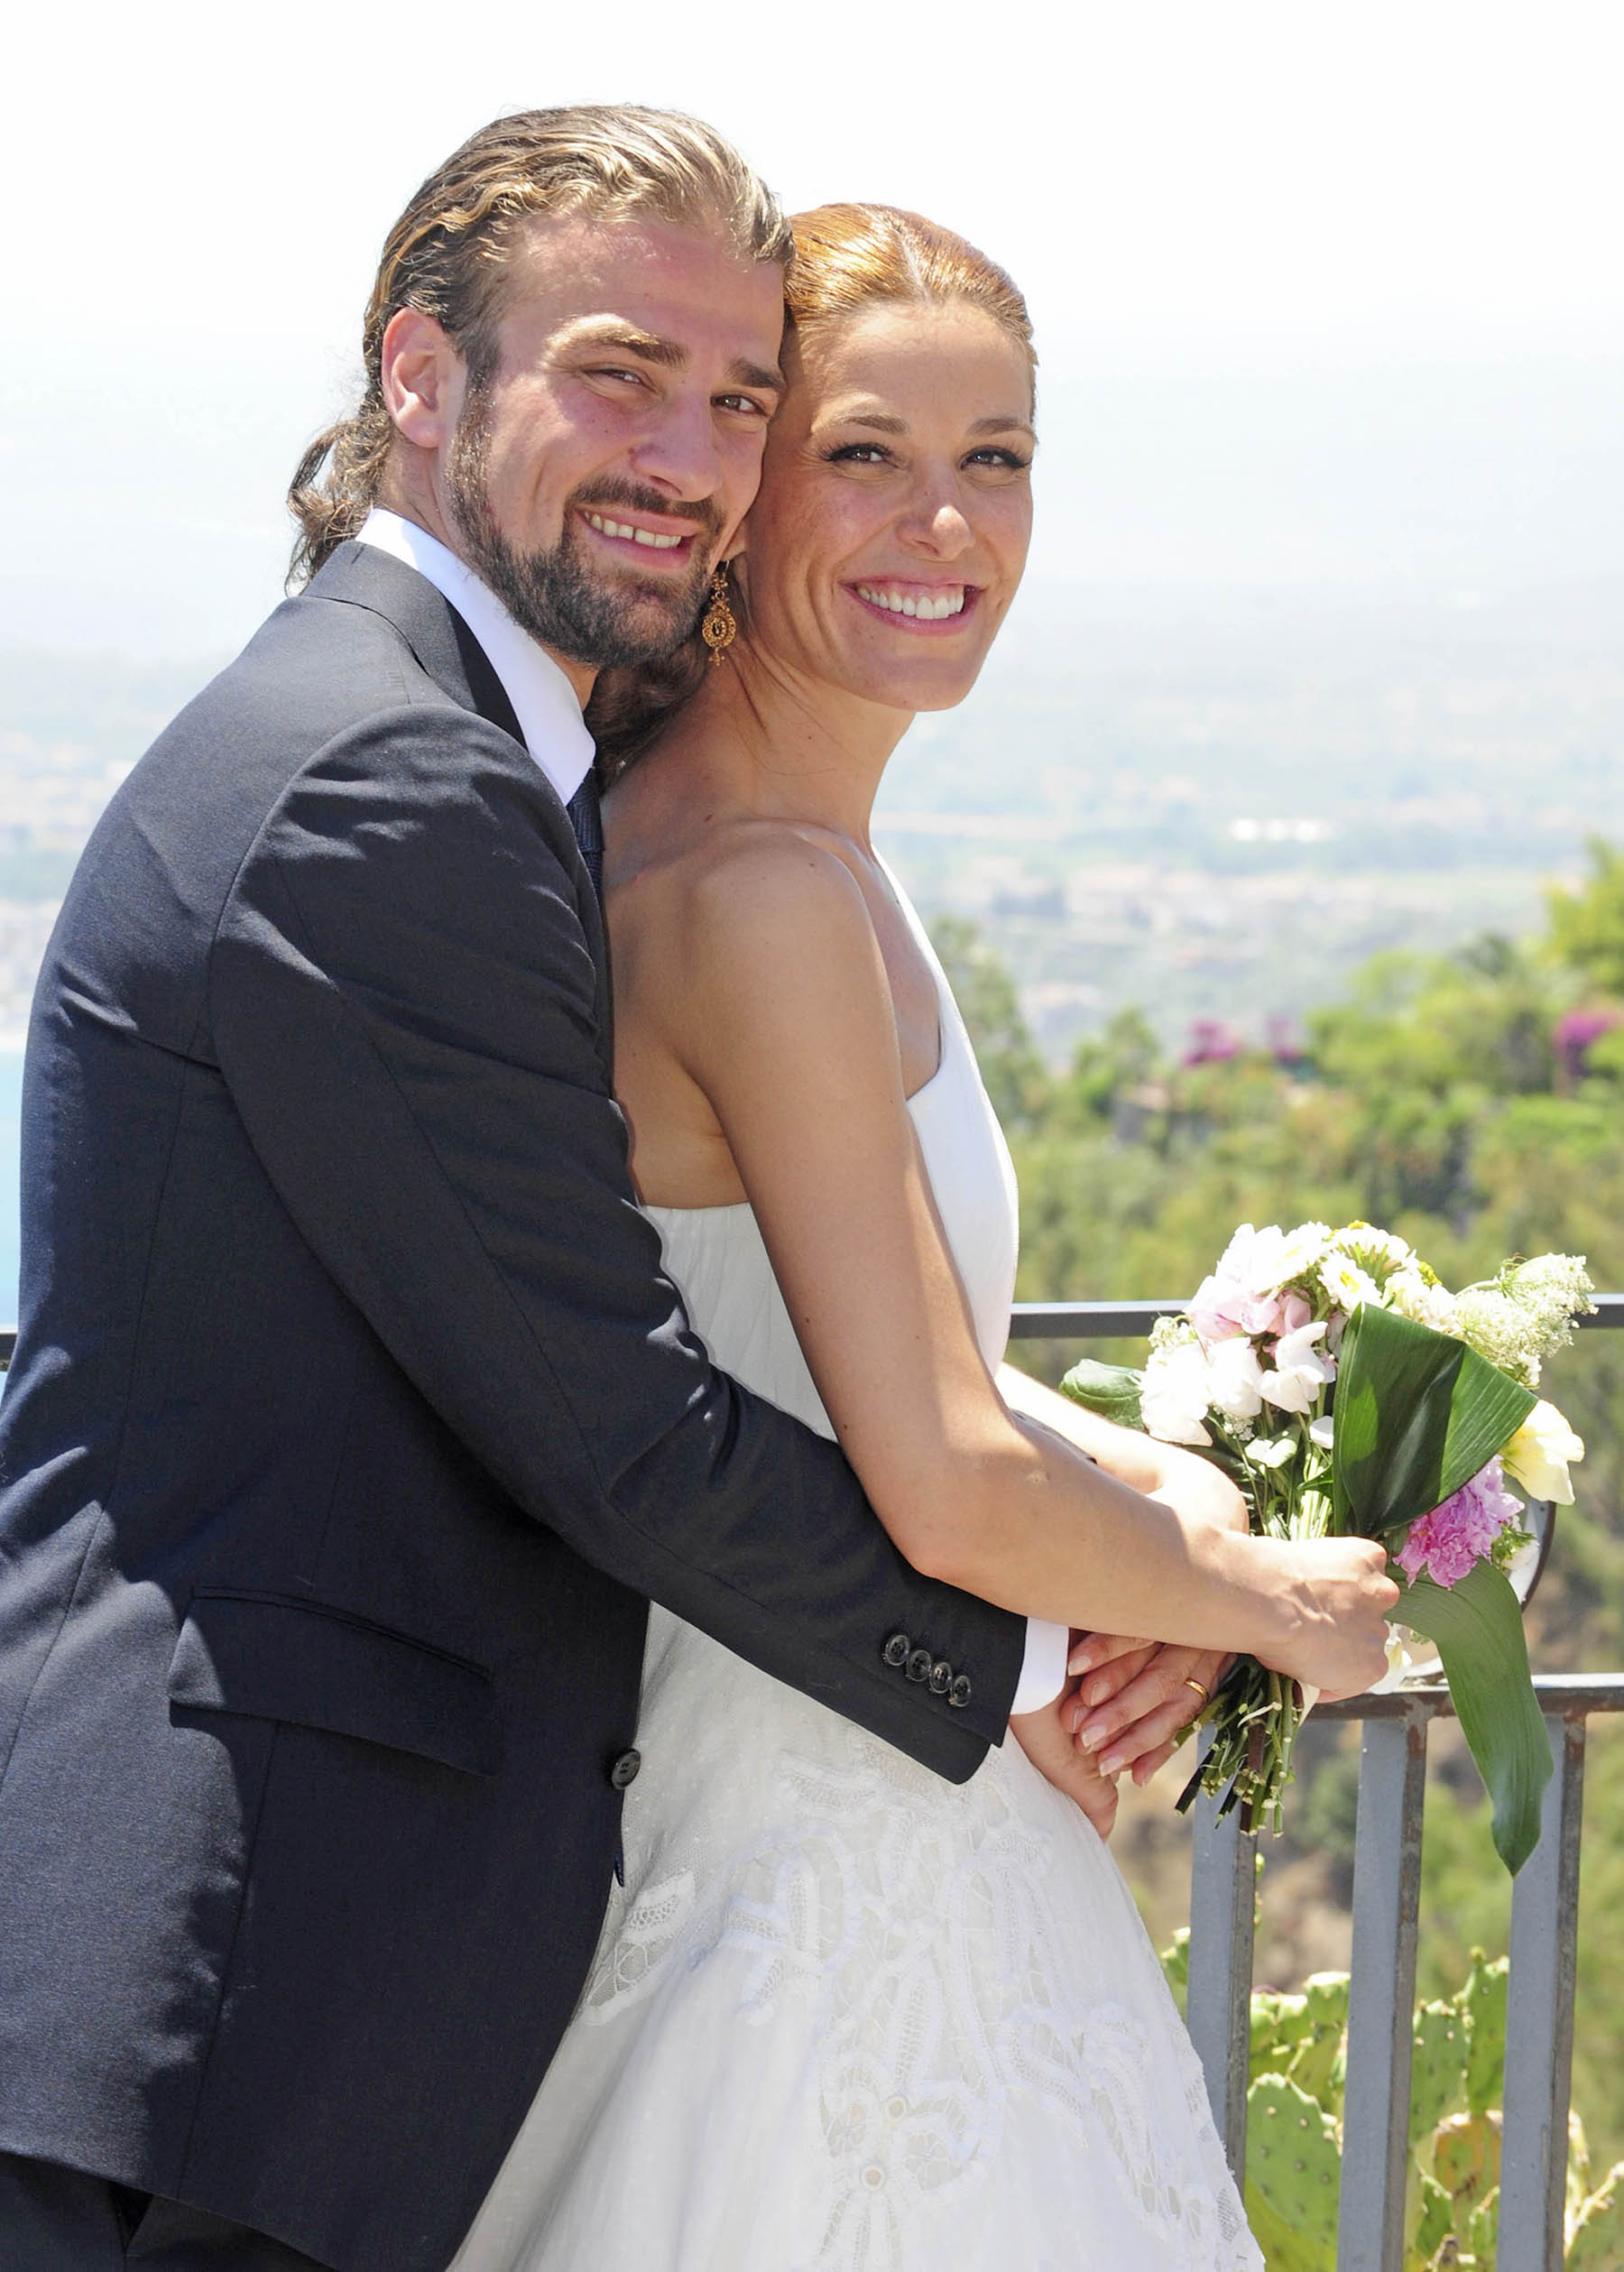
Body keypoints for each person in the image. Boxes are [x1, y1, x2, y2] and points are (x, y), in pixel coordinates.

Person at [0, 107, 1393, 2272]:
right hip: (231, 1950)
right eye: (623, 375)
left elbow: (782, 1340)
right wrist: (1206, 1610)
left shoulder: (526, 778)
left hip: (376, 1944)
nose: (690, 453)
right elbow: (640, 1428)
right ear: (418, 373)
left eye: (737, 400)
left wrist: (1157, 1517)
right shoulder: (409, 781)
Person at [448, 205, 1397, 2272]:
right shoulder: (761, 893)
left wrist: (1162, 1500)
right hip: (828, 1862)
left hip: (875, 1789)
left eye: (998, 457)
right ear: (742, 486)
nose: (944, 521)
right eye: (866, 453)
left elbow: (838, 1360)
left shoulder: (802, 860)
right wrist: (1279, 1605)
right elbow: (944, 1477)